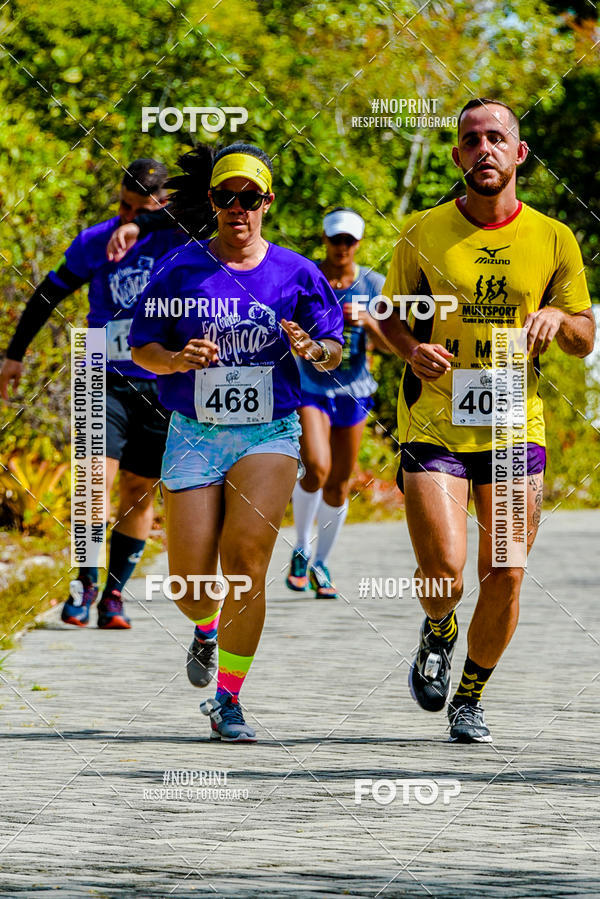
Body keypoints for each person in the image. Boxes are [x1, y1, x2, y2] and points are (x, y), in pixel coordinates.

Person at [379, 99, 595, 743]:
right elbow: (386, 316)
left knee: (504, 570)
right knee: (443, 569)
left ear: (519, 153)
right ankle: (439, 628)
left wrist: (562, 322)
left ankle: (469, 695)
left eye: (496, 138)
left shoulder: (554, 236)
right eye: (471, 140)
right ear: (457, 156)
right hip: (434, 422)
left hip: (510, 428)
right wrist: (409, 347)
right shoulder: (422, 231)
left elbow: (584, 335)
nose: (484, 149)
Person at [128, 142, 343, 742]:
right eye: (228, 197)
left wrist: (312, 349)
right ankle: (205, 627)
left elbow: (334, 351)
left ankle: (228, 699)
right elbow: (142, 346)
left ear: (267, 203)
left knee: (246, 562)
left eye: (251, 198)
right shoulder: (180, 268)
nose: (239, 208)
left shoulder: (298, 273)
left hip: (268, 432)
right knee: (191, 586)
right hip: (194, 434)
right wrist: (174, 360)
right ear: (213, 202)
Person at [0, 160, 184, 629]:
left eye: (138, 209)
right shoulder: (98, 239)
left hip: (163, 380)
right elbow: (49, 292)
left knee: (139, 492)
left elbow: (208, 213)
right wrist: (15, 354)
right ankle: (84, 585)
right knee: (92, 483)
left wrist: (146, 223)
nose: (125, 216)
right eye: (122, 205)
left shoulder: (179, 235)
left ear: (161, 206)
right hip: (100, 370)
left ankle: (114, 596)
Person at [286, 208, 390, 598]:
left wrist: (367, 321)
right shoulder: (307, 277)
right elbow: (286, 325)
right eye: (335, 240)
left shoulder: (373, 284)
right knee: (316, 466)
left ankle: (321, 563)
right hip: (311, 386)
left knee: (339, 483)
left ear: (358, 243)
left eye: (349, 241)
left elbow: (391, 343)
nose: (341, 247)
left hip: (355, 390)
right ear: (325, 240)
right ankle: (300, 547)